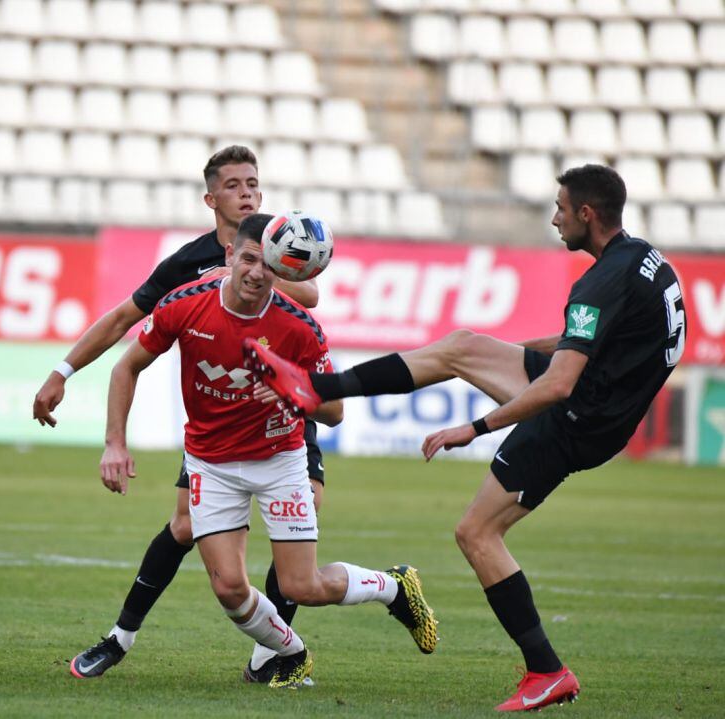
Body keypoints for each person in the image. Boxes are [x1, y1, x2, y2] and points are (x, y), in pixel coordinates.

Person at [245, 164, 685, 709]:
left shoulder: (596, 283)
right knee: (461, 346)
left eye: (561, 208)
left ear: (587, 215)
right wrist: (500, 355)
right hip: (603, 402)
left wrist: (470, 429)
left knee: (477, 534)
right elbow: (585, 342)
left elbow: (557, 386)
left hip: (577, 419)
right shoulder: (645, 260)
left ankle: (546, 670)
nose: (554, 218)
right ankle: (318, 388)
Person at [96, 213, 437, 688]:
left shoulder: (299, 328)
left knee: (303, 586)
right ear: (230, 256)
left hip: (279, 462)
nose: (257, 272)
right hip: (210, 464)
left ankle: (392, 587)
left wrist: (293, 391)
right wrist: (115, 441)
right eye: (249, 259)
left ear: (286, 272)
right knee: (229, 588)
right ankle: (291, 653)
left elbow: (335, 412)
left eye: (269, 265)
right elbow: (125, 367)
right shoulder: (183, 305)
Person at [35, 146, 324, 681]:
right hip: (219, 431)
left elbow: (310, 294)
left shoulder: (281, 251)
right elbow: (124, 318)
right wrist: (62, 371)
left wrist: (255, 266)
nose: (247, 193)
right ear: (211, 198)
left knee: (300, 550)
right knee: (184, 526)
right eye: (235, 185)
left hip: (285, 419)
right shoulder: (186, 265)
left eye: (254, 184)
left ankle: (272, 655)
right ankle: (120, 638)